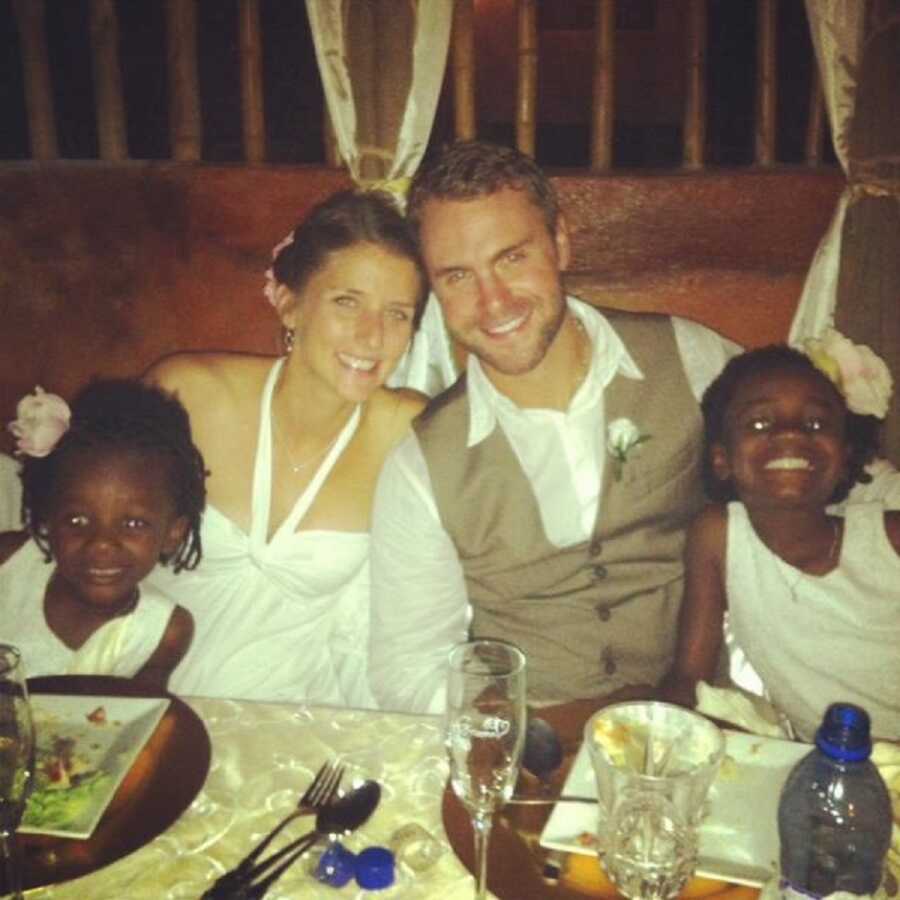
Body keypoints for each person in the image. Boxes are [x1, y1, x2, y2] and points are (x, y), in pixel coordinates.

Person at [368, 140, 741, 714]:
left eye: (512, 258)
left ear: (560, 242)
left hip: (707, 725)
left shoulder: (691, 359)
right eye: (457, 276)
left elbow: (816, 465)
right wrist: (520, 728)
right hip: (535, 746)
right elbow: (410, 667)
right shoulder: (421, 464)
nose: (493, 302)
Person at [145, 189, 428, 705]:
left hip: (293, 721)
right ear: (289, 302)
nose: (372, 337)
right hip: (143, 703)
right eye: (347, 302)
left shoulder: (407, 428)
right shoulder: (188, 395)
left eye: (398, 314)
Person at [661, 341, 900, 741]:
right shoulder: (718, 536)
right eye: (759, 424)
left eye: (815, 424)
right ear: (722, 459)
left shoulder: (889, 538)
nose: (790, 434)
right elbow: (689, 675)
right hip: (828, 771)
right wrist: (653, 732)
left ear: (844, 458)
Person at [0, 379, 204, 692]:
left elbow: (139, 721)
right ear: (47, 518)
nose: (102, 544)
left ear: (173, 533)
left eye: (134, 524)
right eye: (77, 520)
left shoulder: (163, 631)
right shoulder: (8, 563)